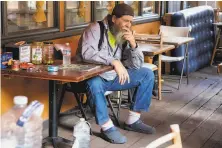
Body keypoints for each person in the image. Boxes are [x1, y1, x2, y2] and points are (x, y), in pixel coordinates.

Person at [74, 3, 155, 144]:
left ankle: (133, 120)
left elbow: (136, 65)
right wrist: (114, 62)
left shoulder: (122, 35)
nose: (128, 25)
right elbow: (87, 53)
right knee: (94, 83)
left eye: (130, 22)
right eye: (125, 20)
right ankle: (107, 128)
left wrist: (133, 45)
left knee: (147, 74)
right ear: (113, 19)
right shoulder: (95, 28)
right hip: (90, 78)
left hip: (112, 78)